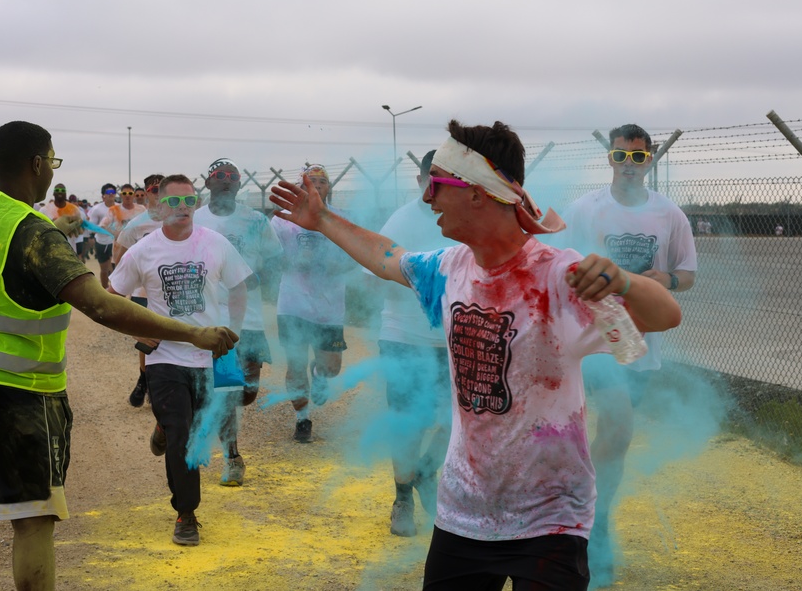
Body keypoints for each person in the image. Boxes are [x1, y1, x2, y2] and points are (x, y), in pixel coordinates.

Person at [269, 119, 681, 591]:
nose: (427, 198)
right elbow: (388, 257)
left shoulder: (558, 275)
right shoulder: (448, 269)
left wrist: (624, 282)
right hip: (463, 514)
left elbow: (665, 314)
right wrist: (322, 219)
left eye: (438, 185)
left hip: (551, 519)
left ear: (477, 192)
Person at [0, 121, 238, 591]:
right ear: (37, 164)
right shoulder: (36, 235)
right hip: (21, 394)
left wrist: (59, 228)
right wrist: (194, 334)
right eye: (52, 162)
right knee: (36, 519)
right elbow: (102, 306)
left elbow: (11, 248)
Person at [561, 123, 697, 587]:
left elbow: (687, 275)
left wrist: (666, 283)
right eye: (622, 157)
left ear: (650, 161)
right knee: (616, 424)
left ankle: (592, 515)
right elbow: (557, 264)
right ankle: (588, 526)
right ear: (611, 159)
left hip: (640, 340)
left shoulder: (669, 214)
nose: (630, 167)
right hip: (592, 335)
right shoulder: (585, 209)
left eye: (639, 159)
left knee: (614, 441)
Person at [109, 174, 252, 547]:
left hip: (208, 357)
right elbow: (112, 294)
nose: (183, 209)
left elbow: (238, 286)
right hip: (165, 358)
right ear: (158, 208)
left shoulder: (215, 243)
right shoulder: (144, 250)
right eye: (174, 202)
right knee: (183, 434)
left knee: (198, 430)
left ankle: (162, 428)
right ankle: (186, 513)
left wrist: (233, 331)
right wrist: (136, 330)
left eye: (189, 201)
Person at [371, 150, 454, 537]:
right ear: (420, 180)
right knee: (409, 422)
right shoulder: (401, 220)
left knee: (458, 420)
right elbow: (377, 274)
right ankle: (402, 497)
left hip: (455, 339)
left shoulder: (461, 220)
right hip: (405, 337)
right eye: (431, 178)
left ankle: (425, 470)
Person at [194, 158, 283, 486]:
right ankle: (232, 457)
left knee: (247, 393)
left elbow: (276, 258)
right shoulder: (196, 220)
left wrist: (260, 278)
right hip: (212, 319)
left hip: (251, 318)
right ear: (208, 183)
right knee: (228, 392)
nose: (227, 181)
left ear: (240, 184)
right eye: (220, 176)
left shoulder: (256, 220)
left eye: (233, 177)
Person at [270, 164, 355, 444]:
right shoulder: (283, 220)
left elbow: (355, 256)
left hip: (329, 307)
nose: (317, 185)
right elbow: (270, 260)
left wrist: (337, 264)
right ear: (301, 187)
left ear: (329, 188)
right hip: (293, 303)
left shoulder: (342, 218)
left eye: (322, 181)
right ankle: (302, 419)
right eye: (311, 181)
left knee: (332, 367)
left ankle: (319, 374)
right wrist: (294, 261)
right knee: (295, 364)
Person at [116, 173, 166, 408]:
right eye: (155, 190)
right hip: (142, 291)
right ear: (145, 194)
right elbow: (120, 255)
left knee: (170, 340)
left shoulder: (178, 219)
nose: (159, 194)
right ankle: (144, 379)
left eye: (162, 189)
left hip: (171, 290)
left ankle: (159, 383)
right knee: (148, 341)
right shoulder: (136, 224)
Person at [86, 183, 123, 288]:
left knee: (115, 267)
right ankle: (104, 289)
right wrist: (96, 232)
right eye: (108, 192)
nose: (111, 194)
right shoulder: (97, 209)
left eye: (113, 192)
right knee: (104, 269)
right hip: (101, 242)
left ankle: (115, 289)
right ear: (103, 196)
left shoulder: (119, 208)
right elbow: (92, 227)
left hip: (116, 242)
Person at [39, 183, 87, 258]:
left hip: (70, 250)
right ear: (53, 193)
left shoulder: (74, 209)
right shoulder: (44, 210)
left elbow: (80, 229)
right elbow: (40, 230)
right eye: (57, 190)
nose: (60, 192)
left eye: (62, 190)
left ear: (66, 193)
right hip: (51, 250)